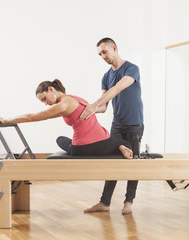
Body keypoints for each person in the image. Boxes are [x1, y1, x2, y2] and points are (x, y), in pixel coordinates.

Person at [81, 38, 144, 215]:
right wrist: (85, 109)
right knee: (112, 162)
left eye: (104, 52)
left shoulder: (132, 69)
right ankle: (105, 202)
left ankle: (129, 202)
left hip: (134, 125)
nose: (102, 56)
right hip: (117, 125)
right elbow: (102, 106)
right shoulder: (105, 76)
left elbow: (117, 89)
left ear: (114, 48)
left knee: (133, 163)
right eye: (100, 54)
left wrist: (94, 104)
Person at [0, 79, 133, 158]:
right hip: (105, 143)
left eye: (44, 98)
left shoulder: (63, 105)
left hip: (83, 149)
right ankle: (120, 146)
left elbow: (31, 117)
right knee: (118, 140)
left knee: (60, 140)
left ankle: (116, 145)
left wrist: (6, 120)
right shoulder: (75, 100)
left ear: (51, 89)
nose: (45, 103)